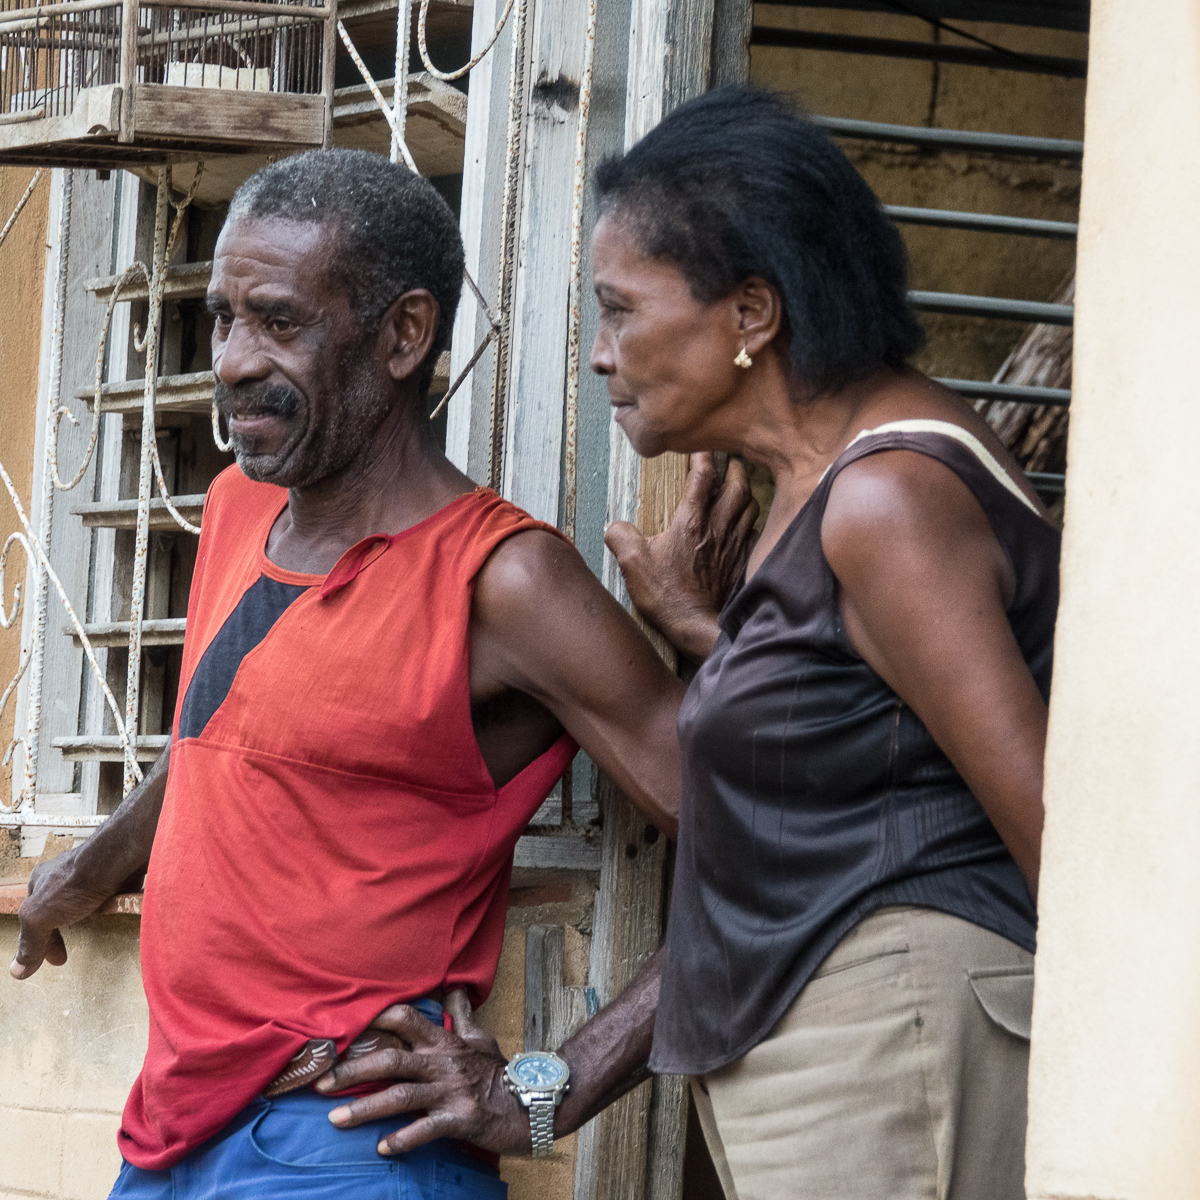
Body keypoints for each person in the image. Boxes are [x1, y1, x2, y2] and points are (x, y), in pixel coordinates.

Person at [10, 149, 685, 1198]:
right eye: (223, 316)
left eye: (278, 322)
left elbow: (772, 849)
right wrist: (94, 868)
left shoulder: (504, 582)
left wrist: (549, 1088)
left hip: (350, 1148)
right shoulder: (241, 504)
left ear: (404, 335)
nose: (231, 359)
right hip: (173, 1138)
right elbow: (231, 737)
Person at [592, 87, 1057, 1199]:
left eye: (619, 311)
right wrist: (712, 636)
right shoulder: (818, 489)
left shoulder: (885, 501)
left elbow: (1053, 826)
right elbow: (872, 724)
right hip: (853, 1042)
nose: (603, 355)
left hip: (900, 1031)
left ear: (751, 314)